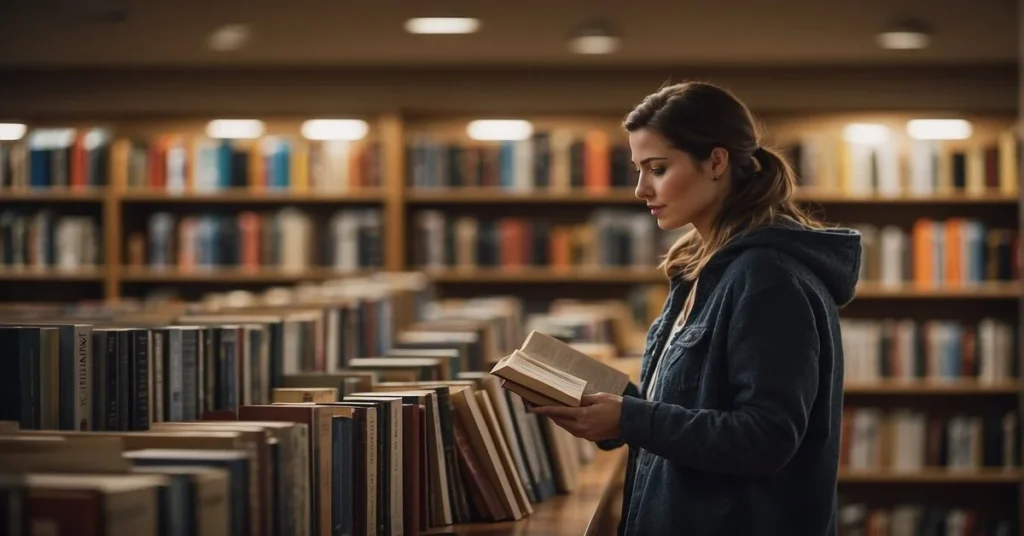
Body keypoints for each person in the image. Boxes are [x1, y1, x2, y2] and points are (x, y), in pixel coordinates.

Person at [529, 81, 862, 536]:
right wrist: (612, 414)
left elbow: (766, 438)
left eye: (658, 168)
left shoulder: (768, 278)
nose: (641, 190)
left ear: (716, 162)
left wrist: (632, 417)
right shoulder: (699, 268)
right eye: (639, 170)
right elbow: (693, 408)